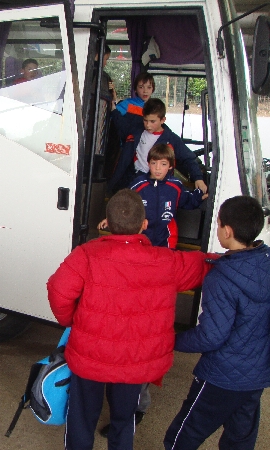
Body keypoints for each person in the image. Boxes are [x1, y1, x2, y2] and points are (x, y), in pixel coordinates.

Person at [47, 189, 216, 450]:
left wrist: (71, 321)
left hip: (90, 354)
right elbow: (204, 264)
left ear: (107, 223)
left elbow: (58, 290)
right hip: (135, 362)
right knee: (124, 420)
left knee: (81, 417)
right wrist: (238, 255)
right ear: (144, 224)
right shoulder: (166, 261)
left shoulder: (86, 254)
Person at [96, 144, 207, 437]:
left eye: (163, 164)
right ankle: (129, 408)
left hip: (163, 252)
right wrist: (111, 219)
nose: (158, 169)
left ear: (170, 167)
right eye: (154, 163)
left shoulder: (176, 188)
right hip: (140, 252)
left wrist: (202, 192)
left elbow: (191, 201)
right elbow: (123, 206)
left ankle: (136, 408)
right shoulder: (138, 185)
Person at [164, 196, 270, 450]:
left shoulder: (220, 278)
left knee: (182, 436)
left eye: (219, 223)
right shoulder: (265, 263)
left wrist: (171, 340)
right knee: (240, 439)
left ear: (228, 231)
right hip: (257, 375)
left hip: (221, 376)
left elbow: (211, 336)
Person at [108, 98, 207, 195]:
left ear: (163, 120)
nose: (148, 125)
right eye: (145, 120)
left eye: (152, 121)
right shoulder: (136, 130)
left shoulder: (171, 139)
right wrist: (113, 109)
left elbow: (188, 158)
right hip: (134, 178)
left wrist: (198, 178)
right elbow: (121, 124)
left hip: (157, 184)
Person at [111, 71, 155, 140]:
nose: (145, 91)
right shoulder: (128, 104)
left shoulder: (155, 107)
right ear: (135, 89)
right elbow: (113, 115)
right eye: (141, 87)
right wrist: (113, 100)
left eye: (149, 87)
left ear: (153, 89)